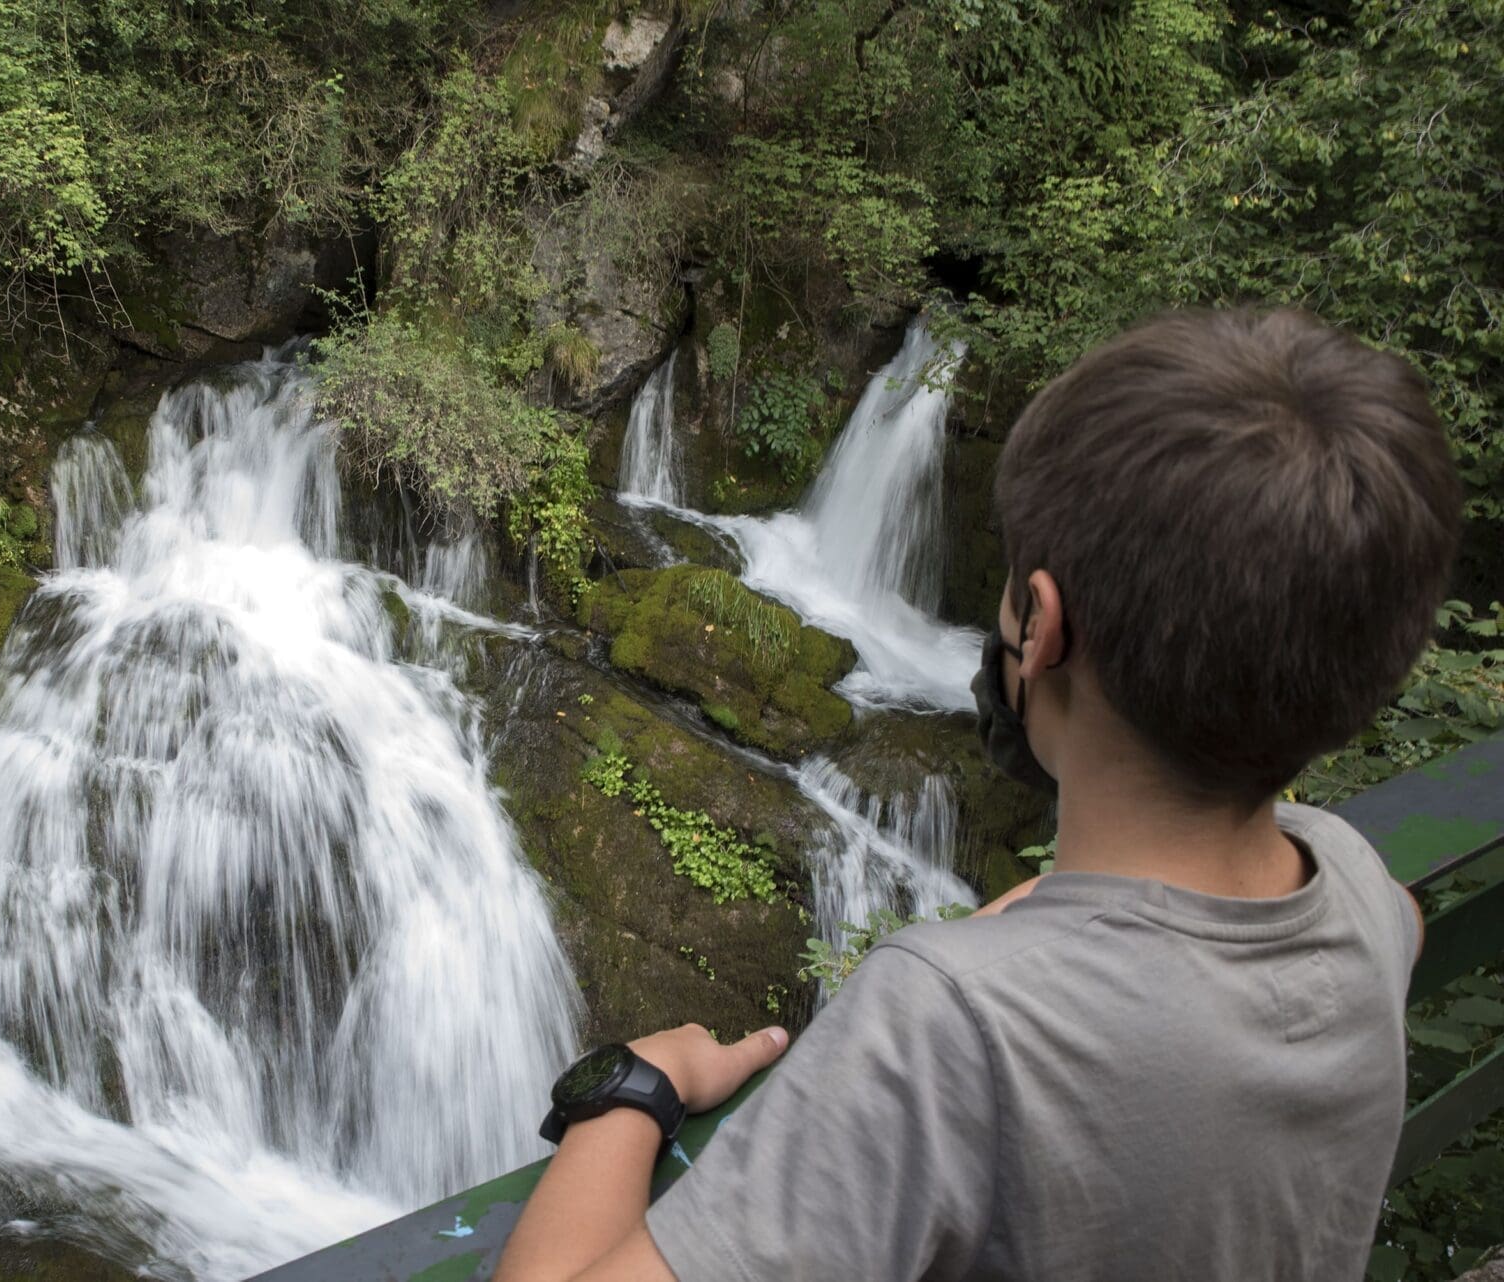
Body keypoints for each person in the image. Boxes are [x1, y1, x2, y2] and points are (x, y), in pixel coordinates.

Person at [495, 308, 1463, 1281]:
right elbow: (1386, 926)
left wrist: (630, 1094)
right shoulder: (1356, 885)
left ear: (1038, 626)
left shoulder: (946, 1024)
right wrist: (1038, 922)